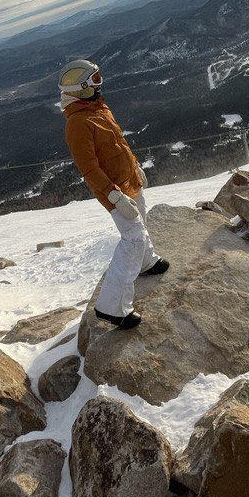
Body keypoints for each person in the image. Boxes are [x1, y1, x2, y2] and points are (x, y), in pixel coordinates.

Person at [59, 59, 168, 328]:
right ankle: (112, 306)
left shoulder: (98, 107)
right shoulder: (78, 123)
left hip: (128, 180)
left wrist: (135, 165)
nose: (99, 85)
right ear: (80, 87)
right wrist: (114, 195)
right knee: (132, 237)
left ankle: (146, 262)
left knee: (141, 220)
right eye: (94, 81)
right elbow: (89, 167)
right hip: (115, 190)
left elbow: (118, 142)